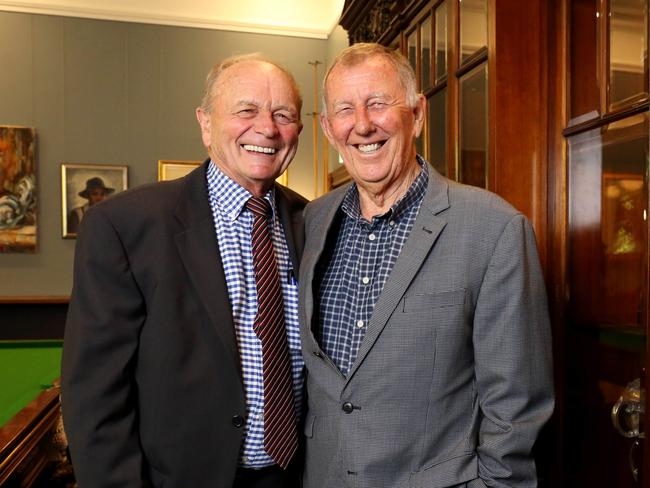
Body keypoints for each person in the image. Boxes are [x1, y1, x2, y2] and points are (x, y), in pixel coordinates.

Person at [299, 43, 554, 488]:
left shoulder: (494, 229)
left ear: (417, 114)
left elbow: (517, 405)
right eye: (345, 109)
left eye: (378, 103)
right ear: (327, 128)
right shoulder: (311, 221)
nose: (362, 124)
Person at [62, 53, 307, 488]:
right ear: (206, 123)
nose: (267, 128)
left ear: (298, 131)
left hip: (299, 476)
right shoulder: (125, 225)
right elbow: (94, 397)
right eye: (246, 110)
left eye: (283, 114)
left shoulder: (315, 222)